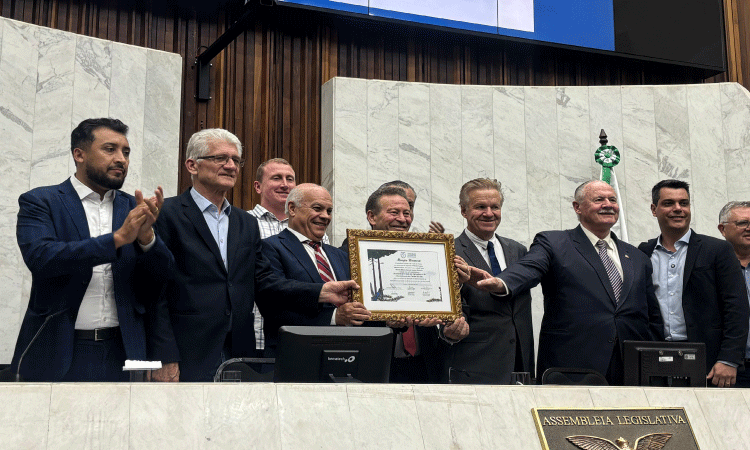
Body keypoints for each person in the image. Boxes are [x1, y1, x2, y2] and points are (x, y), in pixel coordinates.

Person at [150, 129, 357, 382]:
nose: (230, 166)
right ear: (192, 165)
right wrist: (162, 354)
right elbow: (154, 290)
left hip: (240, 351)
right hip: (186, 350)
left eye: (236, 160)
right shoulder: (166, 213)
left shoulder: (245, 223)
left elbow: (265, 282)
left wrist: (321, 292)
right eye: (220, 158)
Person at [10, 118, 173, 381]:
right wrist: (117, 239)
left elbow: (161, 280)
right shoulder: (41, 201)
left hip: (123, 350)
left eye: (126, 152)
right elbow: (42, 258)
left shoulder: (134, 207)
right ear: (79, 154)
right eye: (110, 149)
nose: (121, 159)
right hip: (59, 349)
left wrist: (146, 238)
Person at [468, 180, 663, 385]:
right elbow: (529, 268)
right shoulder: (554, 243)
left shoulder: (637, 257)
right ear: (577, 207)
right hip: (573, 369)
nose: (608, 204)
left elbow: (652, 317)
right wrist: (500, 282)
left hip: (630, 370)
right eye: (599, 199)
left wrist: (658, 366)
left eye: (612, 200)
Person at [345, 185, 470, 383]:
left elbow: (452, 312)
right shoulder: (349, 256)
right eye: (394, 212)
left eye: (407, 213)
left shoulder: (428, 253)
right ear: (371, 217)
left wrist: (451, 325)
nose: (403, 219)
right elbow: (344, 317)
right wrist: (385, 321)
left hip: (425, 366)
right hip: (374, 367)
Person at [638, 180, 749, 388]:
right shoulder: (643, 253)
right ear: (654, 209)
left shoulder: (718, 250)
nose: (678, 209)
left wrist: (729, 359)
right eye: (669, 203)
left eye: (684, 203)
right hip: (655, 359)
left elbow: (737, 308)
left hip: (710, 363)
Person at [443, 178, 534, 384]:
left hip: (520, 363)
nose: (489, 213)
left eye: (495, 207)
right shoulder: (449, 252)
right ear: (464, 211)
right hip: (475, 363)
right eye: (480, 207)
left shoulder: (518, 250)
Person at [261, 183, 371, 354]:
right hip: (294, 356)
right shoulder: (271, 247)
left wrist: (391, 317)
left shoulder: (340, 256)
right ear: (292, 209)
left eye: (329, 211)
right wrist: (334, 317)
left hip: (345, 353)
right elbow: (273, 303)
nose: (325, 216)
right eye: (317, 208)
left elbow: (359, 304)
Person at [718, 201, 750, 387]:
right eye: (742, 223)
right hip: (727, 369)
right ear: (722, 229)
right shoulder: (708, 266)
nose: (749, 229)